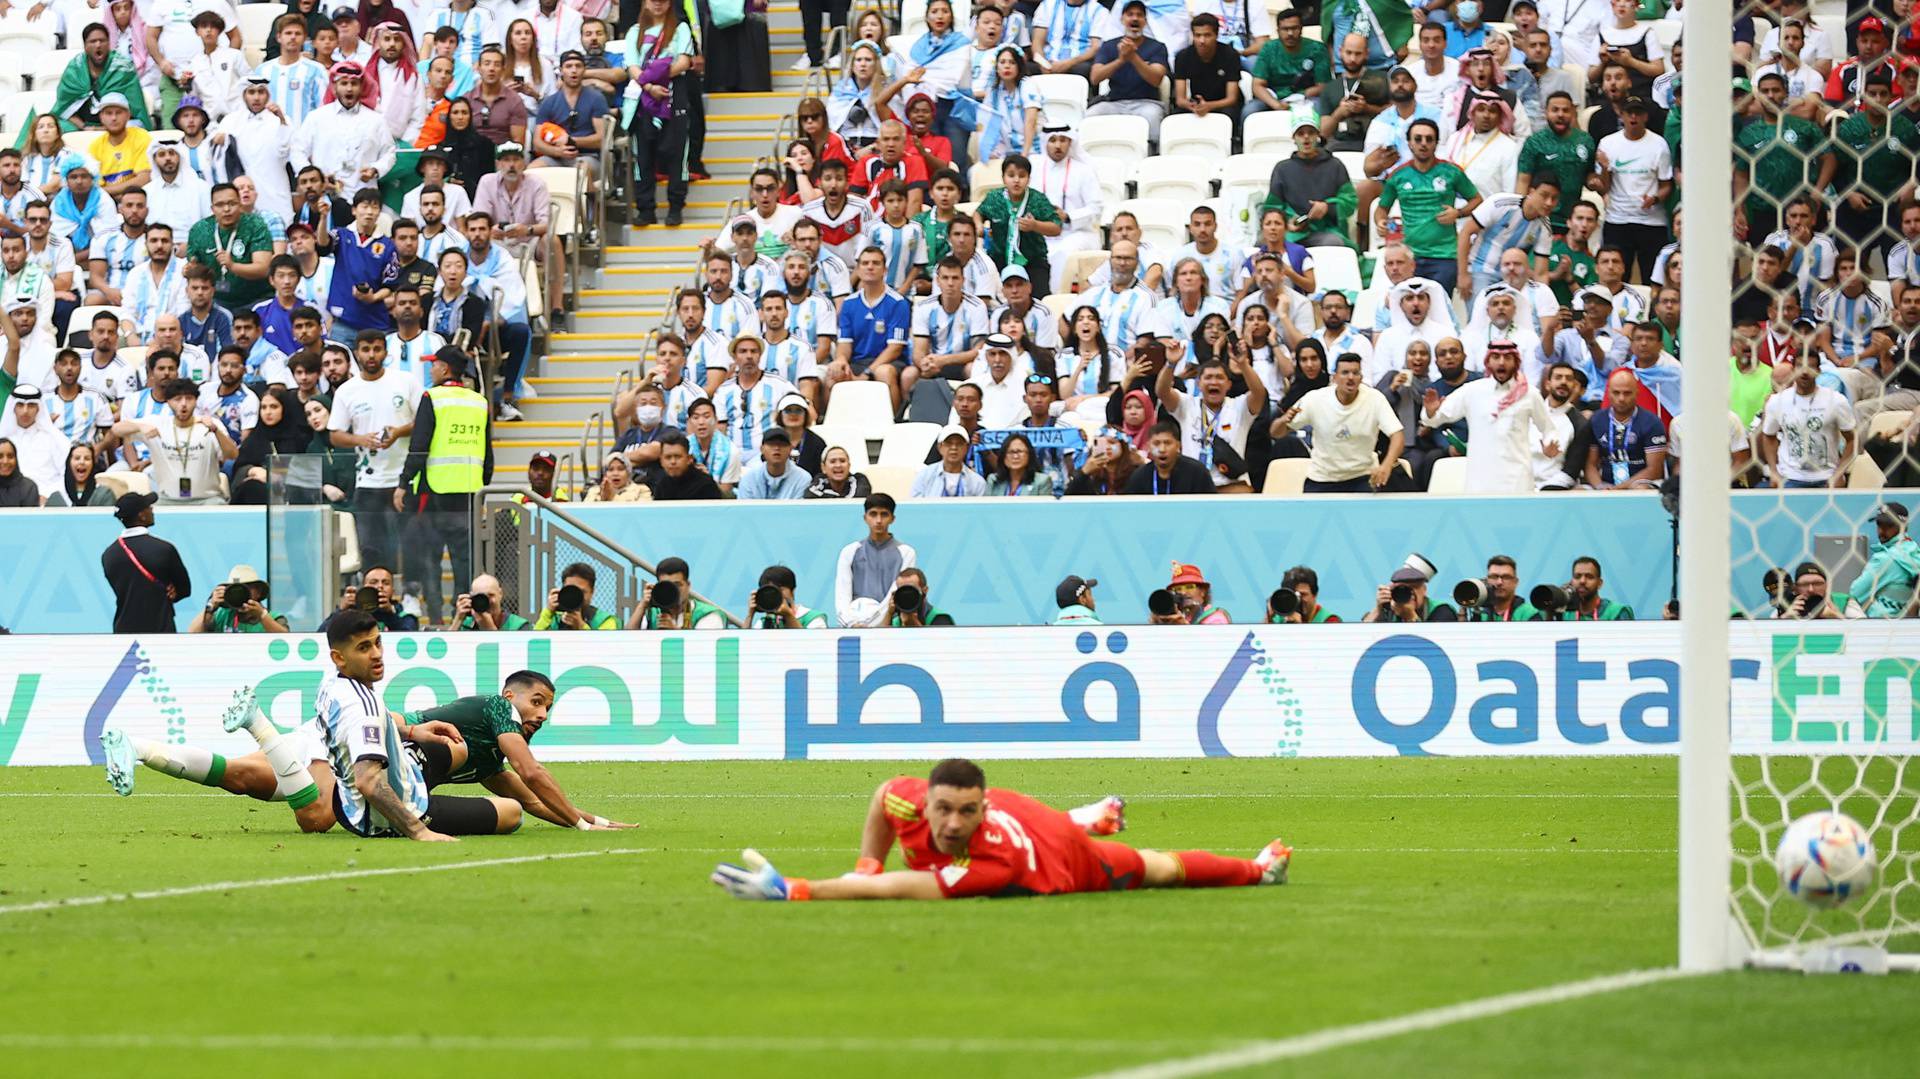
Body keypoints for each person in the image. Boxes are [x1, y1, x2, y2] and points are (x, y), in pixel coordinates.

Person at [712, 758, 1290, 901]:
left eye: (967, 812)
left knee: (1157, 866)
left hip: (1059, 859)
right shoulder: (908, 800)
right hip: (1022, 813)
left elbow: (896, 888)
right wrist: (865, 862)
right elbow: (882, 797)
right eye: (944, 810)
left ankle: (1258, 872)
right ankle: (1091, 815)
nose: (953, 823)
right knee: (1075, 823)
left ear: (980, 809)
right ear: (929, 800)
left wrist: (798, 888)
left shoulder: (988, 867)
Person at [398, 346, 489, 626]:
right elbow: (488, 452)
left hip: (434, 495)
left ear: (445, 369)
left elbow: (419, 445)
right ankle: (462, 618)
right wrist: (483, 487)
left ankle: (436, 618)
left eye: (434, 364)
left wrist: (403, 483)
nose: (431, 369)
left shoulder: (432, 397)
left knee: (431, 561)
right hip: (469, 496)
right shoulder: (479, 401)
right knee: (464, 564)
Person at [327, 327, 422, 570]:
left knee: (409, 543)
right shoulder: (347, 390)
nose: (371, 355)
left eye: (376, 349)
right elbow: (335, 435)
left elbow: (424, 422)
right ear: (357, 353)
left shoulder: (405, 381)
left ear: (385, 352)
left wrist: (398, 432)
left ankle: (409, 594)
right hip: (367, 483)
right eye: (366, 350)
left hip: (404, 479)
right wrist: (361, 440)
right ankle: (375, 598)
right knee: (371, 547)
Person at [1417, 341, 1557, 492]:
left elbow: (1548, 429)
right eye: (1496, 357)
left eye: (1508, 358)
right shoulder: (1472, 391)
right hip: (1480, 480)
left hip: (1517, 480)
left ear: (1516, 362)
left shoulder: (1530, 394)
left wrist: (1550, 445)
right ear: (1488, 361)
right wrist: (1430, 412)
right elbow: (1434, 419)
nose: (1501, 362)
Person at [1373, 118, 1480, 294]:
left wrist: (1458, 213)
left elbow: (1477, 200)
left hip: (1444, 256)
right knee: (1409, 307)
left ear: (1436, 143)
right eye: (1418, 139)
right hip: (1409, 255)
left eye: (1429, 139)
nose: (1423, 144)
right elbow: (1381, 209)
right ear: (1409, 143)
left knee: (1438, 307)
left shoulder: (1452, 171)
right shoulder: (1398, 175)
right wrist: (1380, 222)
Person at [1271, 351, 1404, 491]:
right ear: (1335, 377)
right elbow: (1276, 433)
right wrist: (1283, 421)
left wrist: (1387, 465)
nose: (1350, 378)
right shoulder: (1315, 399)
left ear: (1361, 377)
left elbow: (1398, 436)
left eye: (1355, 373)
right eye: (1345, 373)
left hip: (1362, 478)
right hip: (1322, 479)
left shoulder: (1375, 399)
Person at [625, 0, 696, 226]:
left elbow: (684, 61)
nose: (657, 4)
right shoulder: (635, 32)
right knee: (643, 155)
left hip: (674, 97)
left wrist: (658, 79)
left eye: (662, 0)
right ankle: (645, 209)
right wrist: (649, 87)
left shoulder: (681, 29)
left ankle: (675, 207)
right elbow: (632, 67)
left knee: (677, 154)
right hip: (644, 99)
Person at [99, 491, 192, 633]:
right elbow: (185, 589)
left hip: (123, 630)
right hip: (160, 628)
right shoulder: (164, 549)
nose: (152, 509)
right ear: (141, 515)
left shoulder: (108, 555)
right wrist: (174, 591)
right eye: (148, 507)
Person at [1759, 357, 1857, 489]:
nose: (1805, 372)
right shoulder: (1777, 401)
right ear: (1793, 370)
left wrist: (1839, 473)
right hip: (1790, 478)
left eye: (1810, 367)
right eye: (1800, 367)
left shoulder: (1836, 401)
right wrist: (1774, 472)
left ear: (1818, 371)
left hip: (1827, 478)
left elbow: (1852, 439)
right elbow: (1768, 436)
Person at [1086, 0, 1171, 144]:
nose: (1135, 18)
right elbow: (1095, 78)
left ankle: (1152, 155)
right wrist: (1120, 60)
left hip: (1147, 103)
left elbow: (1156, 79)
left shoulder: (1157, 47)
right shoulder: (1109, 46)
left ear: (1145, 21)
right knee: (1092, 115)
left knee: (1152, 116)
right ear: (1122, 19)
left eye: (1139, 15)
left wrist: (1133, 57)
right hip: (1114, 102)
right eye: (1130, 14)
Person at [831, 493, 918, 627]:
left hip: (890, 626)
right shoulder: (849, 551)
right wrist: (852, 624)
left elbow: (895, 594)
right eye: (873, 514)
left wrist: (874, 624)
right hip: (853, 626)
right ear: (865, 518)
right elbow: (842, 595)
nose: (878, 520)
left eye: (884, 514)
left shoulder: (906, 552)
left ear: (892, 519)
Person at [1584, 368, 1667, 490]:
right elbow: (1590, 464)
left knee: (1640, 489)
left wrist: (1619, 489)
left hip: (1640, 482)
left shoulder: (1652, 422)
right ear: (1608, 393)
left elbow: (1654, 470)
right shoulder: (1597, 420)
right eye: (1616, 393)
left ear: (1637, 393)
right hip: (1605, 483)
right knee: (1577, 491)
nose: (1621, 398)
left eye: (1627, 393)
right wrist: (1600, 486)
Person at [1124, 418, 1215, 494]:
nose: (1162, 449)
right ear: (1149, 447)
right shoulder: (1139, 476)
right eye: (1156, 443)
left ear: (1178, 446)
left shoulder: (1197, 472)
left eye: (1167, 443)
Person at [912, 423, 988, 497]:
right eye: (948, 443)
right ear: (939, 447)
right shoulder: (924, 476)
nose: (954, 448)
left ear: (967, 448)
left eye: (959, 444)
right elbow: (915, 507)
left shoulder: (977, 482)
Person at [1547, 555, 1634, 620]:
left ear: (1599, 583)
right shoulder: (1565, 614)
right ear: (1571, 582)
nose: (1582, 581)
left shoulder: (1616, 612)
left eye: (1589, 576)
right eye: (1577, 576)